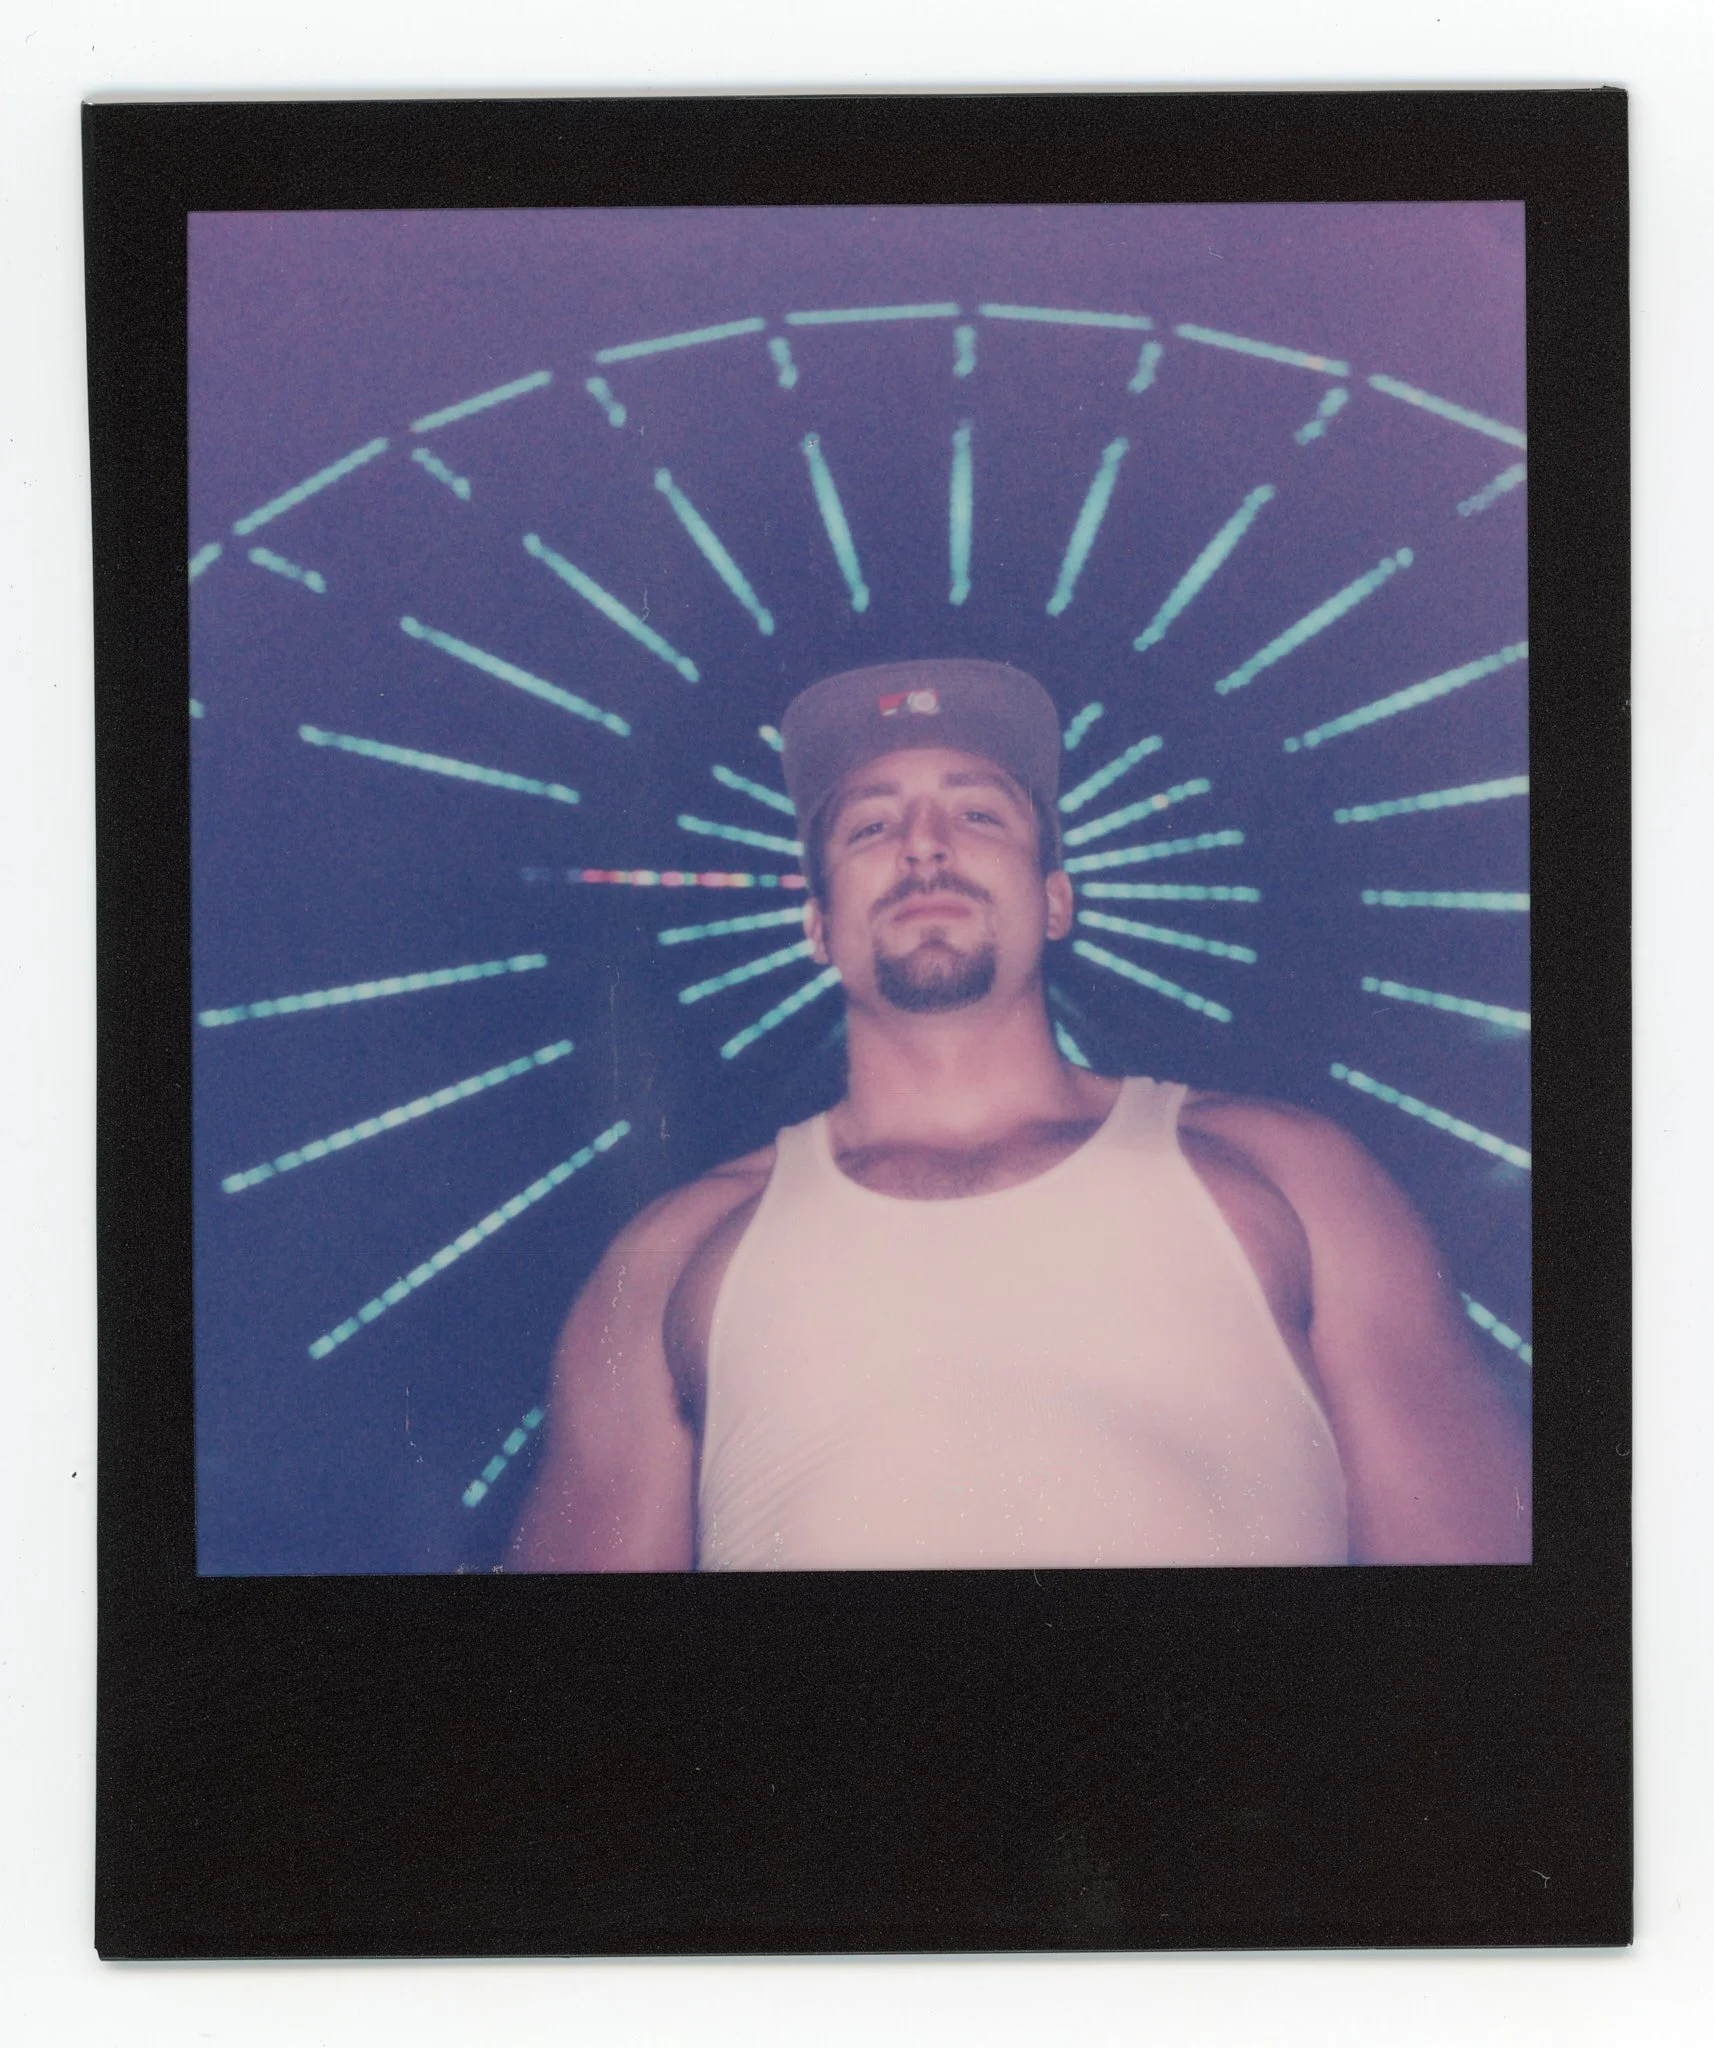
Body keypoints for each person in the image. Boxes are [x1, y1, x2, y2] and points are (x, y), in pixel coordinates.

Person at [511, 659, 1530, 1571]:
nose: (922, 846)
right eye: (869, 824)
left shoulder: (1294, 1173)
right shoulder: (666, 1257)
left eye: (978, 813)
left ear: (1055, 900)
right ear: (816, 926)